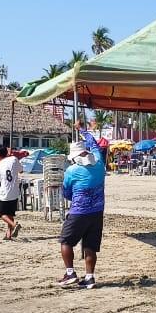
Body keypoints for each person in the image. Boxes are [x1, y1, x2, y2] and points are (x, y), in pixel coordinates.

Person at [59, 124, 106, 289]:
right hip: (97, 212)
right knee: (90, 246)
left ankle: (70, 273)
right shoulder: (99, 164)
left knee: (66, 241)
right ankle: (89, 277)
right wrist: (82, 130)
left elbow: (66, 192)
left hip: (79, 211)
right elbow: (94, 144)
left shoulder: (72, 171)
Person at [0, 145, 22, 240]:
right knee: (10, 214)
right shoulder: (14, 159)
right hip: (15, 192)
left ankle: (14, 225)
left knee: (2, 214)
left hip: (4, 193)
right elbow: (21, 171)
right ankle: (8, 234)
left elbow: (1, 180)